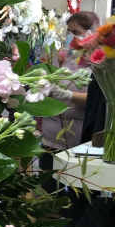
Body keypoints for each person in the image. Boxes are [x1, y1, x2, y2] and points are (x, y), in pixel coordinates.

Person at [41, 11, 100, 150]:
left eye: (76, 32)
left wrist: (67, 95)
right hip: (50, 136)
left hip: (75, 137)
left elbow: (97, 99)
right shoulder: (65, 56)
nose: (71, 37)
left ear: (91, 33)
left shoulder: (99, 63)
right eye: (69, 32)